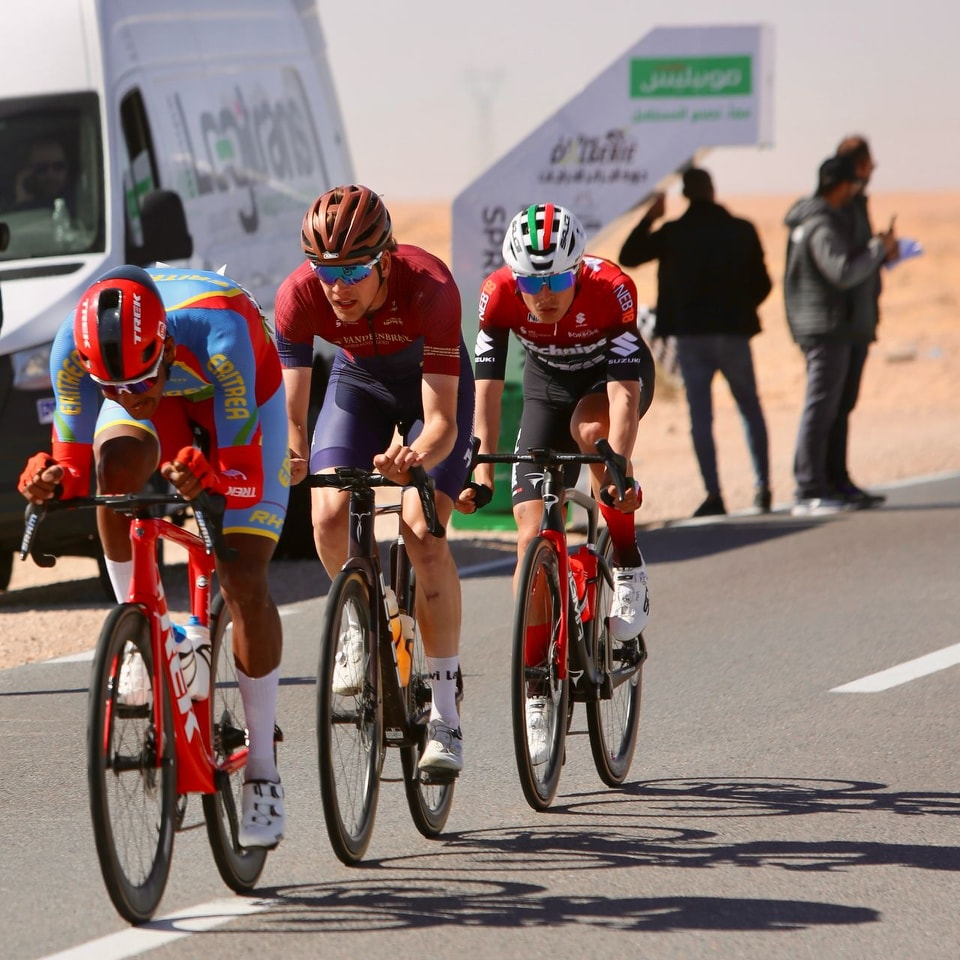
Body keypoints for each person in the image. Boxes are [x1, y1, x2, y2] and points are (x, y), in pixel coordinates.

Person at [18, 265, 289, 848]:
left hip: (237, 396)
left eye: (138, 384)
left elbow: (242, 473)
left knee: (244, 577)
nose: (128, 399)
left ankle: (263, 770)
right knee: (113, 473)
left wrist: (211, 480)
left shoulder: (221, 333)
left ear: (163, 348)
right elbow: (72, 470)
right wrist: (46, 481)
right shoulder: (74, 351)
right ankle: (142, 633)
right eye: (111, 390)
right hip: (171, 394)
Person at [274, 184, 475, 776]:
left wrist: (415, 457)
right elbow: (292, 418)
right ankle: (363, 618)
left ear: (385, 259)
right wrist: (292, 456)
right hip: (357, 385)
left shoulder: (430, 287)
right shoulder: (297, 296)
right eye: (325, 270)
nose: (338, 286)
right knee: (327, 513)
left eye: (354, 270)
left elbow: (441, 422)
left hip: (430, 392)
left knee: (422, 532)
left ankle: (445, 715)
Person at [466, 202, 654, 689]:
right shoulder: (497, 294)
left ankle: (627, 561)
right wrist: (481, 469)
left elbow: (624, 394)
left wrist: (618, 466)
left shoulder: (611, 287)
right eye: (531, 283)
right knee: (530, 535)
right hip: (547, 387)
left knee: (590, 431)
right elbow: (485, 393)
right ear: (515, 279)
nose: (544, 294)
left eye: (557, 280)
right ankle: (534, 686)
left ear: (578, 270)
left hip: (607, 381)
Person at [618, 168, 773, 518]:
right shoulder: (741, 229)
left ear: (686, 195)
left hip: (690, 337)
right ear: (712, 189)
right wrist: (741, 309)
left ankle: (713, 494)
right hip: (734, 334)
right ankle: (763, 487)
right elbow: (763, 283)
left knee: (700, 416)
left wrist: (650, 218)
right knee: (750, 407)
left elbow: (629, 256)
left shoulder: (674, 232)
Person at [783, 155, 898, 516]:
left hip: (833, 326)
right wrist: (877, 249)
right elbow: (842, 272)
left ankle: (831, 482)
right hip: (825, 327)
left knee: (834, 407)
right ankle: (808, 488)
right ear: (843, 185)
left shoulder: (821, 220)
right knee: (820, 407)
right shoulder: (820, 225)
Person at [828, 134, 889, 507]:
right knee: (830, 407)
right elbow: (844, 267)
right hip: (841, 322)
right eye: (869, 166)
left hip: (857, 319)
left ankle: (838, 479)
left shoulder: (855, 203)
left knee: (843, 405)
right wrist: (878, 249)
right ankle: (824, 482)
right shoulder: (838, 207)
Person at [13, 137, 72, 211]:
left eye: (58, 166)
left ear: (67, 168)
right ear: (29, 173)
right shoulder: (24, 204)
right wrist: (23, 201)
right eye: (42, 168)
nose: (51, 175)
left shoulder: (81, 201)